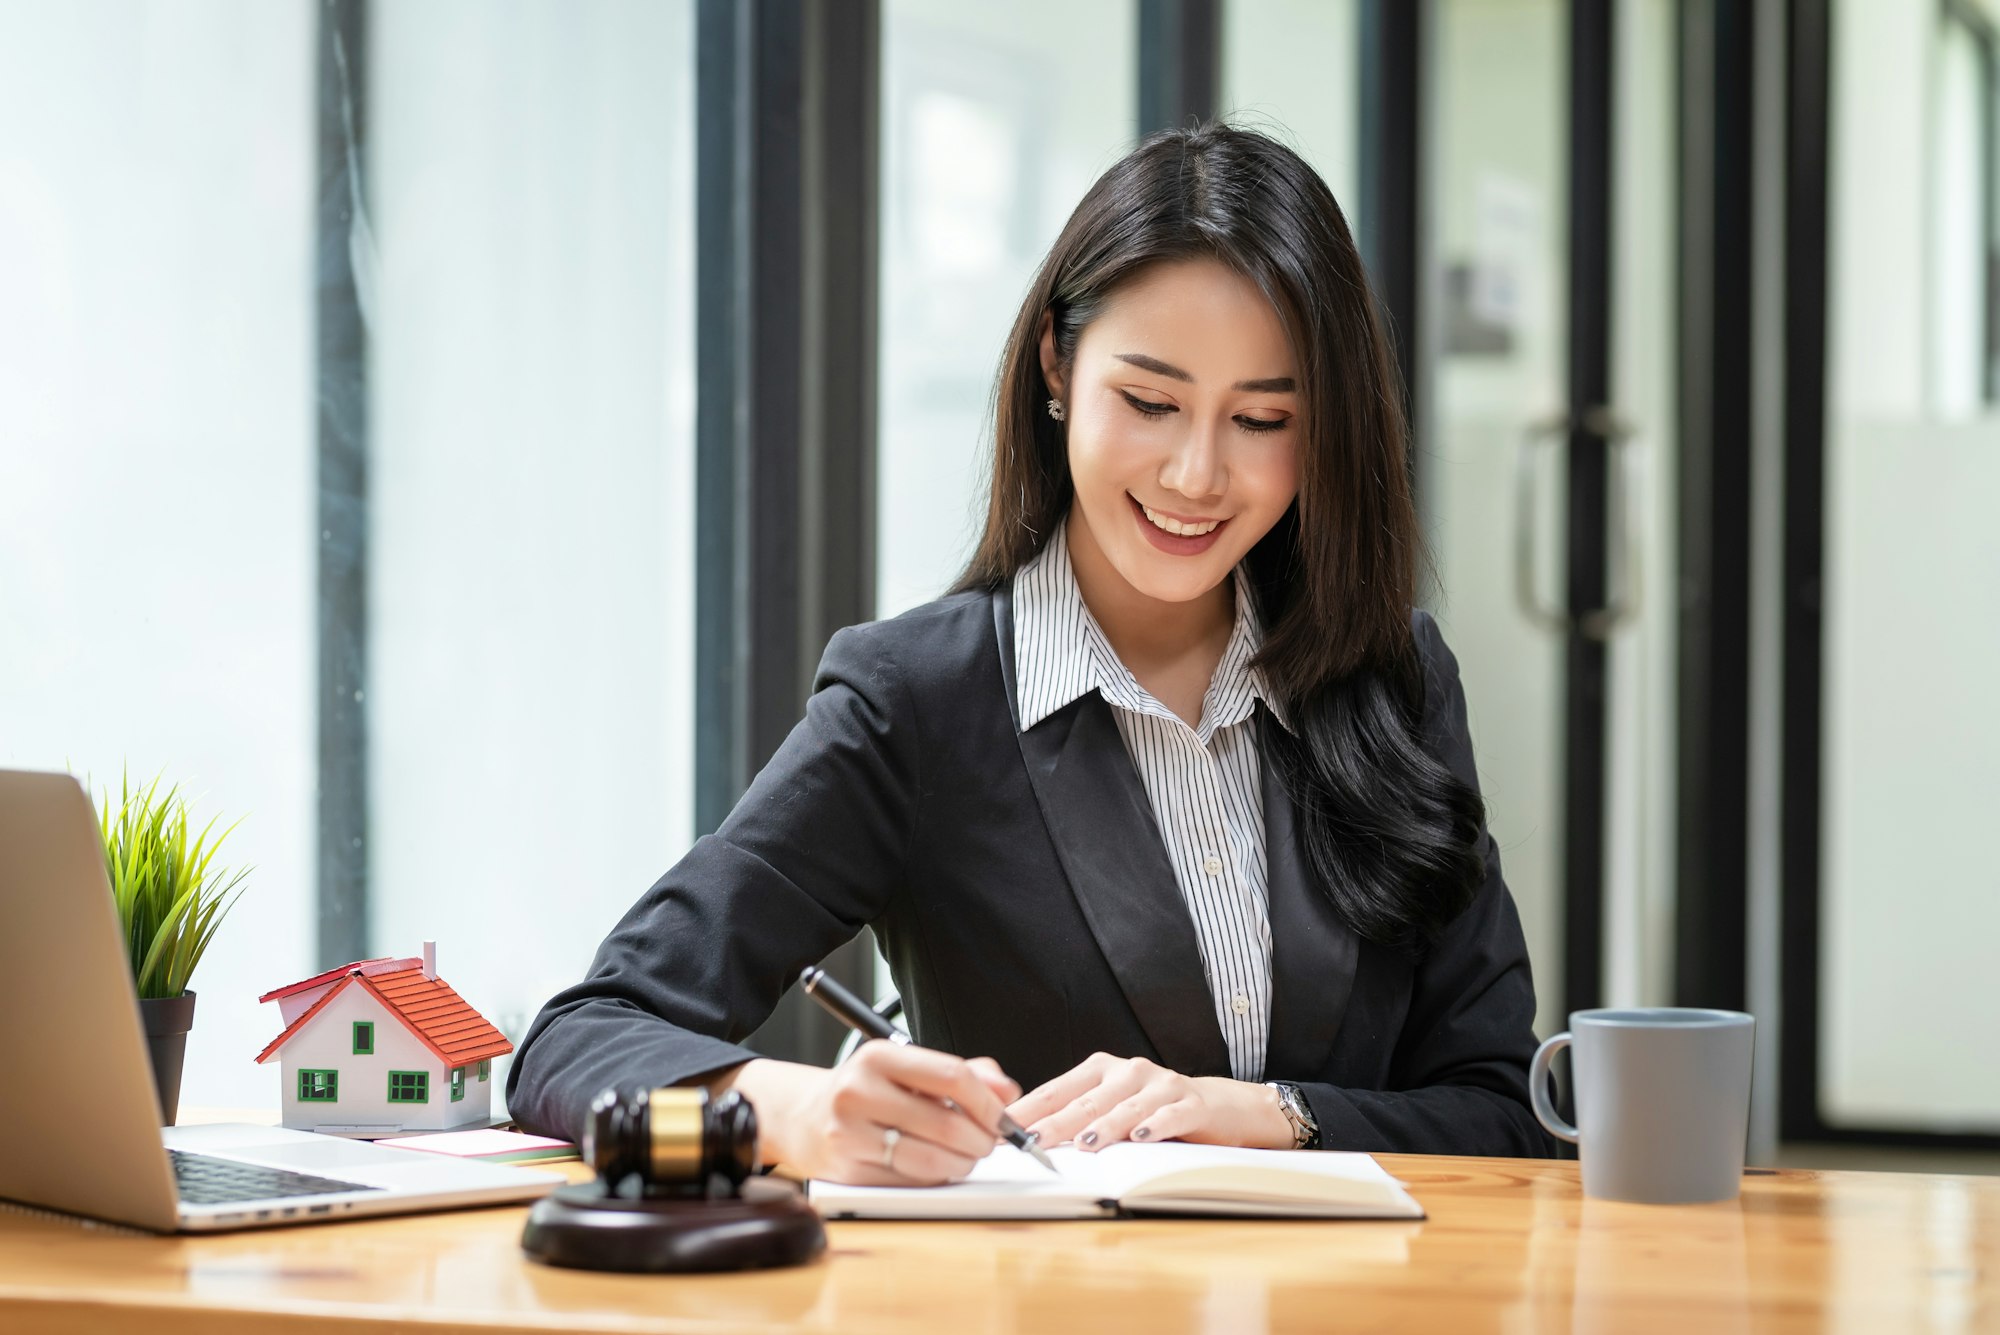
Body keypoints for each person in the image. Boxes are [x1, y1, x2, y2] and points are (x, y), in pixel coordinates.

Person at [508, 122, 1554, 1184]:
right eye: (1147, 402)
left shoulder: (1392, 682)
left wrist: (1271, 1115)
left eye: (1260, 419)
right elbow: (578, 1044)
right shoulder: (917, 701)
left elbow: (1502, 1114)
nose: (1197, 474)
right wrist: (795, 1114)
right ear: (1056, 363)